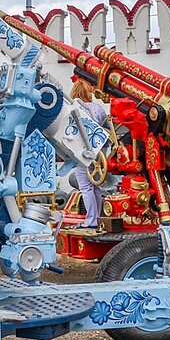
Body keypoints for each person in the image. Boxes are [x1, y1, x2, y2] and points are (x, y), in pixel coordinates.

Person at [69, 71, 109, 228]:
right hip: (100, 152)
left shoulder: (74, 107)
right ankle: (97, 218)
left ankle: (91, 221)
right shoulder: (97, 107)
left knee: (86, 187)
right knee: (96, 185)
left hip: (83, 152)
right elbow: (107, 126)